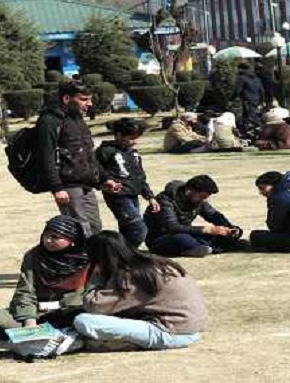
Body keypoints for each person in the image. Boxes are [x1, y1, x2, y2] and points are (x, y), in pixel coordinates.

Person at [72, 231, 207, 351]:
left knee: (83, 321)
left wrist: (96, 273)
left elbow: (94, 306)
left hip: (172, 333)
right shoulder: (154, 262)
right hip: (188, 327)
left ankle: (127, 343)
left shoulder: (133, 275)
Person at [0, 216, 90, 339]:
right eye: (45, 235)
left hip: (71, 310)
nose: (48, 240)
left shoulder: (88, 259)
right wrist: (29, 321)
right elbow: (25, 290)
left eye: (55, 237)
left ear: (72, 240)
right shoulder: (34, 256)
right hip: (38, 311)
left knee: (79, 318)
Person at [35, 82, 102, 234]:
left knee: (95, 227)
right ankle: (81, 258)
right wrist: (57, 188)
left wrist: (104, 178)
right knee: (80, 229)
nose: (89, 104)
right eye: (84, 99)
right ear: (66, 98)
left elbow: (88, 152)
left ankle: (95, 257)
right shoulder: (49, 121)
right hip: (67, 185)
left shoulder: (77, 119)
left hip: (86, 182)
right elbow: (46, 156)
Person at [96, 118, 160, 249]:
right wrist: (106, 179)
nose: (134, 142)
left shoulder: (134, 153)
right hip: (118, 196)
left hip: (133, 194)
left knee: (127, 229)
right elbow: (95, 168)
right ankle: (122, 254)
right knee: (138, 229)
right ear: (119, 135)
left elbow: (140, 177)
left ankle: (122, 257)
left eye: (136, 138)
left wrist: (150, 197)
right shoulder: (105, 151)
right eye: (131, 138)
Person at [144, 176, 241, 258]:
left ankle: (205, 247)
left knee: (219, 235)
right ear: (189, 191)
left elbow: (214, 216)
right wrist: (206, 230)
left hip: (187, 234)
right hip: (161, 239)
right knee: (182, 239)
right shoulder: (165, 201)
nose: (203, 200)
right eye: (202, 196)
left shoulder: (198, 201)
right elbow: (172, 227)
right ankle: (210, 247)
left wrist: (230, 229)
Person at [235, 63, 264, 132]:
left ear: (241, 69)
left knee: (249, 117)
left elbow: (237, 90)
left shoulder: (241, 78)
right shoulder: (256, 78)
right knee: (250, 116)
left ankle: (250, 131)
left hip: (247, 100)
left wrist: (231, 98)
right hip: (256, 100)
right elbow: (262, 90)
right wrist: (261, 101)